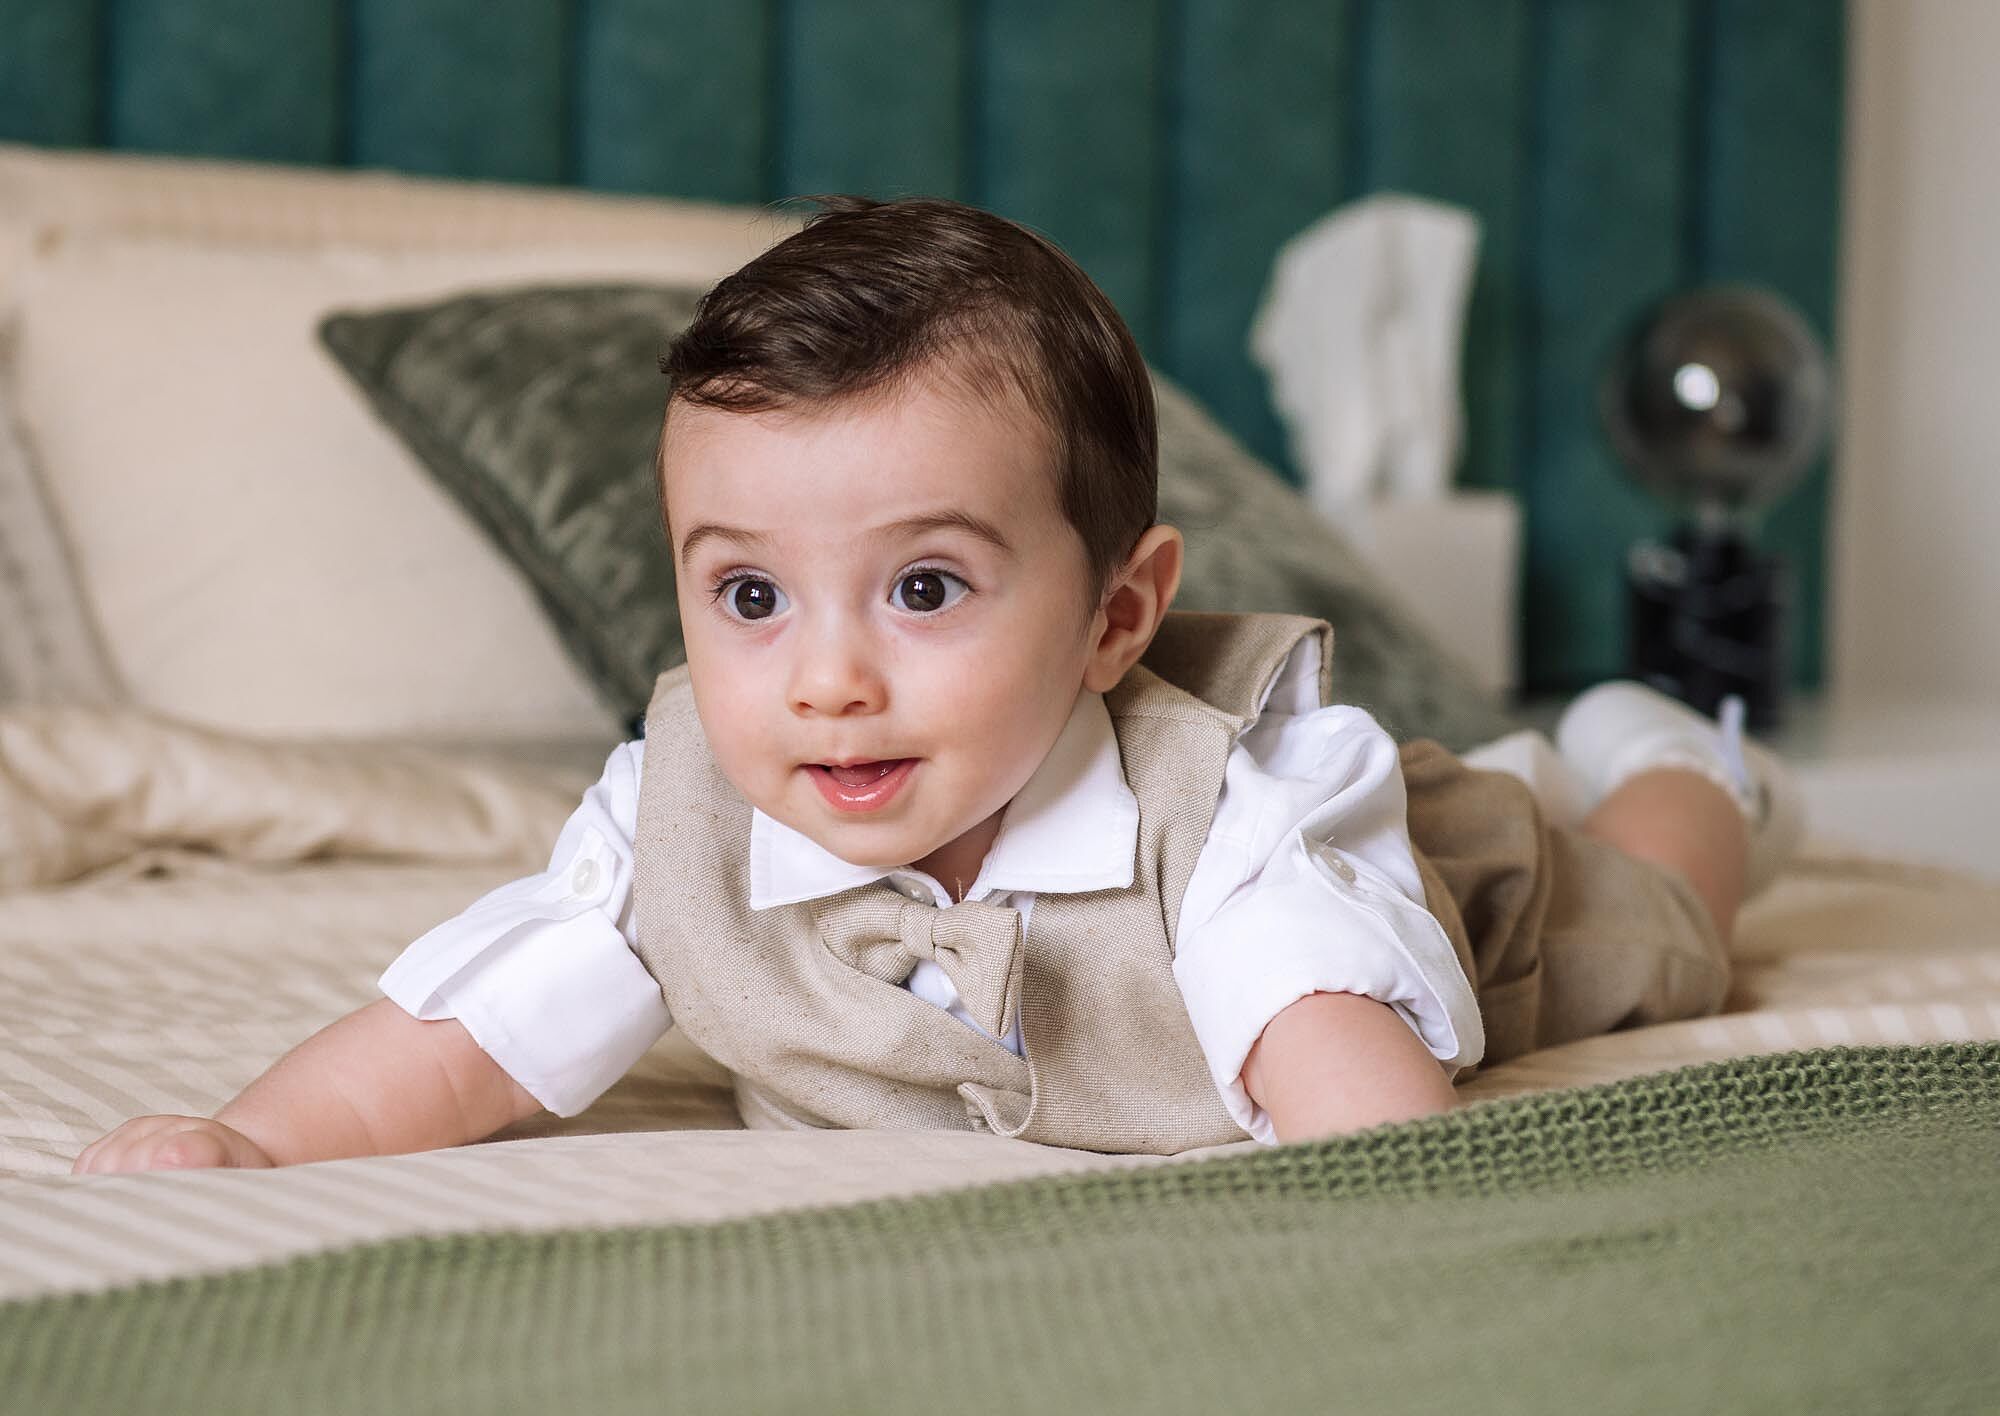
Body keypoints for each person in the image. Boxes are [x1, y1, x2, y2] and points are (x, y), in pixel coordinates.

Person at [74, 196, 1802, 1173]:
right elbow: (464, 1044)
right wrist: (250, 1145)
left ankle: (1680, 759)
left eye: (922, 588)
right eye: (750, 595)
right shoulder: (674, 822)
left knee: (1657, 916)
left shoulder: (1238, 809)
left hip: (1458, 890)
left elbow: (1369, 1127)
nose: (827, 680)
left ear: (1116, 615)